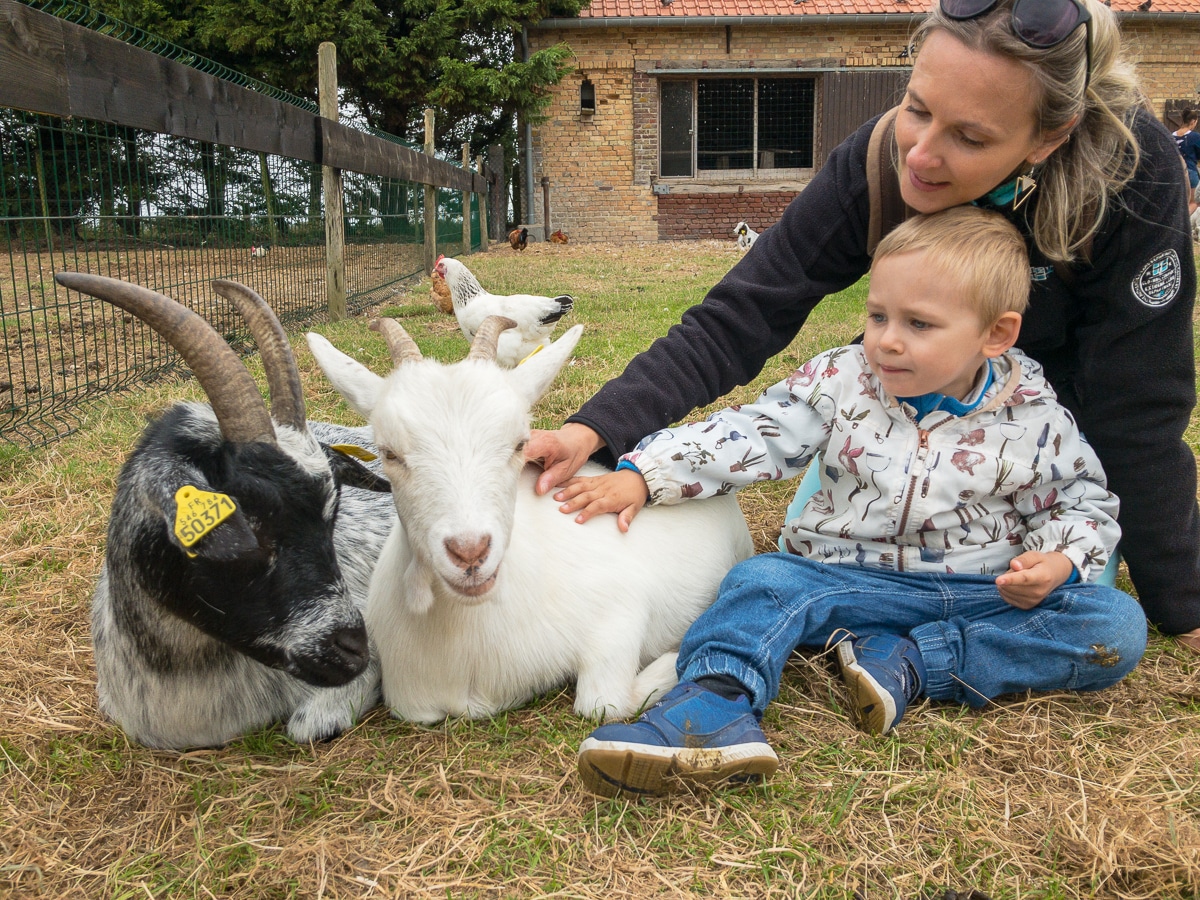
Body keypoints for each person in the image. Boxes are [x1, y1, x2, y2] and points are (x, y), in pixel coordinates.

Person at [525, 0, 1200, 654]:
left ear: (1050, 135)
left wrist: (1183, 602)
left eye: (969, 137)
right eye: (917, 108)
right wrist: (599, 431)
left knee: (1087, 612)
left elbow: (1135, 402)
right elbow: (743, 315)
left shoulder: (1130, 174)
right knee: (820, 557)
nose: (921, 154)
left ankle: (921, 655)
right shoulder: (878, 161)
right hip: (895, 422)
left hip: (1033, 456)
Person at [560, 206, 1147, 798]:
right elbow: (755, 433)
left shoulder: (1035, 418)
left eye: (919, 324)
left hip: (974, 595)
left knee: (1113, 624)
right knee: (759, 580)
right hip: (837, 581)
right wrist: (646, 472)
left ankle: (916, 663)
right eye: (877, 314)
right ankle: (713, 705)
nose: (887, 340)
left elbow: (1082, 504)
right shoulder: (842, 381)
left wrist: (1059, 562)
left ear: (995, 335)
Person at [1172, 108, 1200, 215]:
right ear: (1193, 121)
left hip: (1174, 173)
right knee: (1193, 202)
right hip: (1190, 172)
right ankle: (1183, 225)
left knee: (1178, 203)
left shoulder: (1171, 136)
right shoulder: (1195, 136)